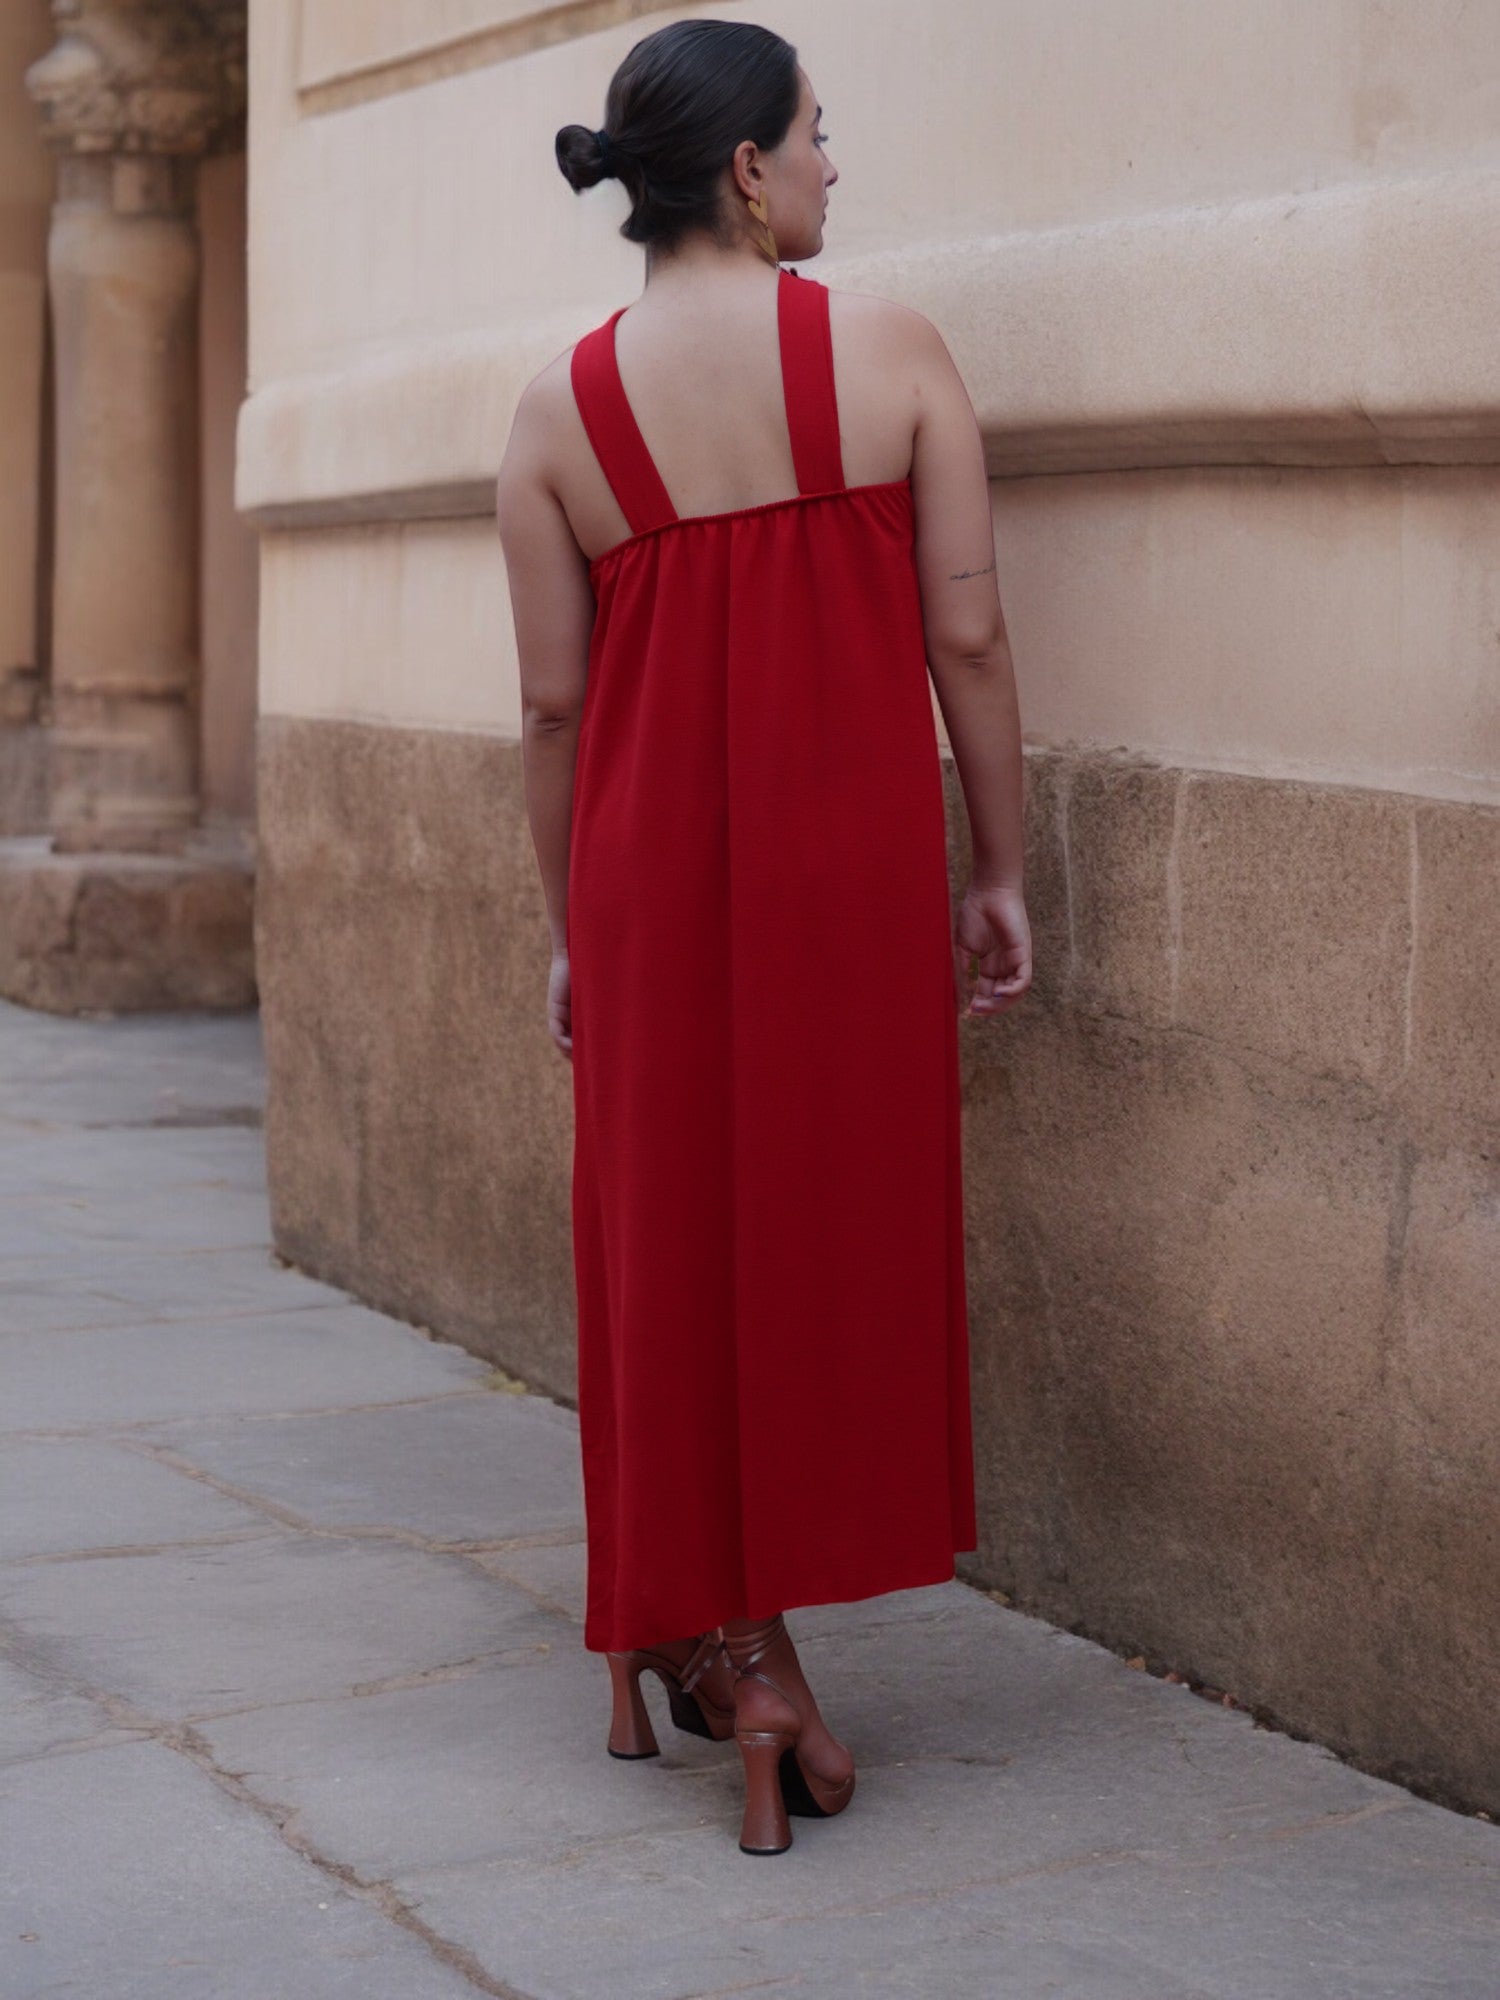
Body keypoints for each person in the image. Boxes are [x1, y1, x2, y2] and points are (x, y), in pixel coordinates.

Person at [495, 18, 1030, 1856]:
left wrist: (572, 925)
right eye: (816, 134)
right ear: (744, 169)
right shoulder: (889, 352)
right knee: (815, 1220)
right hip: (842, 862)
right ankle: (753, 1647)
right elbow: (967, 640)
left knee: (665, 1230)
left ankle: (701, 1636)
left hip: (645, 868)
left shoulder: (555, 409)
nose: (831, 163)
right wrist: (1001, 866)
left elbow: (553, 713)